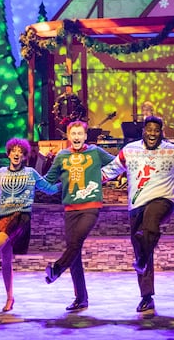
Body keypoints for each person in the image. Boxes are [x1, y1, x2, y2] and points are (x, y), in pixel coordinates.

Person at [101, 115, 174, 313]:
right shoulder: (129, 150)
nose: (152, 134)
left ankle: (142, 260)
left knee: (151, 223)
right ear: (143, 130)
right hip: (136, 205)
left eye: (156, 130)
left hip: (163, 200)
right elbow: (110, 170)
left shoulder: (172, 151)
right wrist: (88, 182)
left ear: (161, 132)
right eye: (149, 130)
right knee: (141, 247)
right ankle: (146, 296)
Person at [0, 138, 60, 312]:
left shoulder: (31, 173)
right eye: (14, 151)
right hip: (1, 215)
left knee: (3, 237)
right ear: (8, 154)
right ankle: (9, 297)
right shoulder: (0, 173)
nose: (17, 154)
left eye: (21, 152)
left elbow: (50, 189)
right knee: (6, 260)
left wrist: (69, 184)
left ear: (24, 156)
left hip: (21, 215)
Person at [42, 120, 115, 311]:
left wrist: (103, 178)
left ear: (85, 136)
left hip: (90, 206)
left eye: (79, 134)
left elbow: (117, 164)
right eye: (73, 134)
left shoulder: (95, 152)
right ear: (68, 136)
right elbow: (48, 184)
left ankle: (57, 269)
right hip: (70, 209)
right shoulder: (62, 156)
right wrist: (32, 179)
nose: (76, 137)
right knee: (74, 253)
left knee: (74, 243)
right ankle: (81, 298)